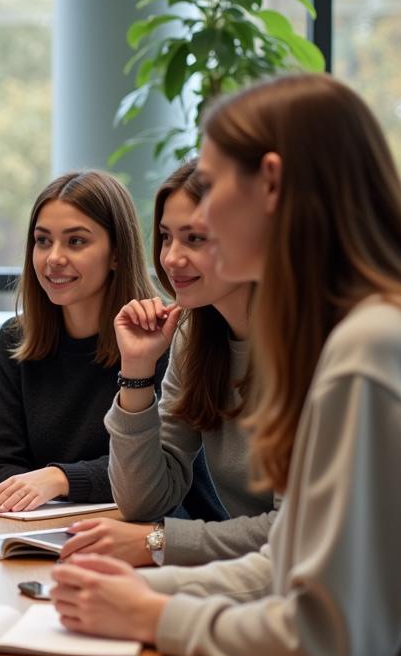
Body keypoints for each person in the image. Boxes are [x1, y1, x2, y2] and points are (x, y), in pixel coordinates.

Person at [51, 74, 401, 656]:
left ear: (271, 184)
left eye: (213, 190)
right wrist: (145, 592)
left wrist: (158, 615)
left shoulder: (367, 350)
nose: (201, 227)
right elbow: (285, 559)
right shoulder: (354, 330)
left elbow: (326, 650)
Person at [60, 160, 277, 566]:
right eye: (165, 237)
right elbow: (144, 501)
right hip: (257, 580)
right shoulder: (194, 333)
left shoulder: (313, 348)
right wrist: (137, 372)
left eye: (195, 238)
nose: (172, 258)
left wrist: (158, 543)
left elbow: (294, 532)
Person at [0, 170, 222, 515]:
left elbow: (151, 471)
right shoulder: (14, 339)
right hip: (50, 527)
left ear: (117, 254)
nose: (53, 258)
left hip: (162, 530)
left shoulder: (162, 336)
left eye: (76, 241)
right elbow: (0, 462)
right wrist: (36, 497)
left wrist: (59, 478)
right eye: (43, 240)